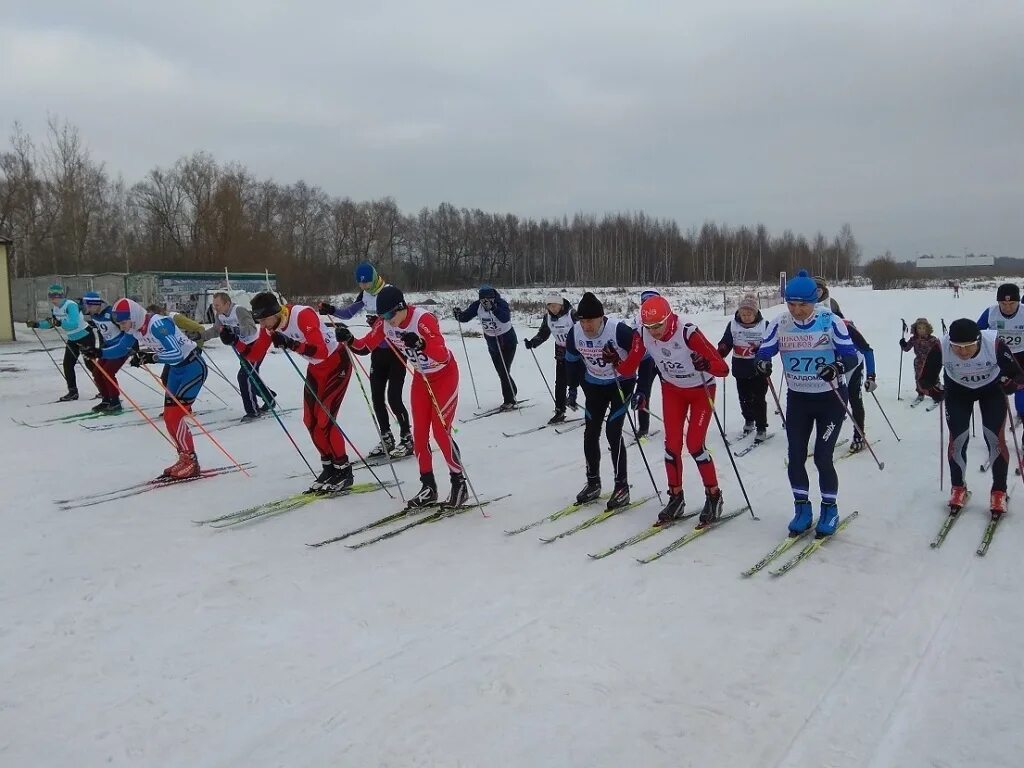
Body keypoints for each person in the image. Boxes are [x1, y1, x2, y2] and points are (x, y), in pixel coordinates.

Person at [755, 270, 860, 537]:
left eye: (803, 304)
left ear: (814, 301)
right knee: (796, 457)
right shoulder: (779, 323)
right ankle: (802, 508)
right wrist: (762, 362)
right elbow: (764, 351)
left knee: (823, 457)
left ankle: (829, 508)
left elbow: (851, 356)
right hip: (799, 398)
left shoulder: (830, 321)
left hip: (830, 399)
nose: (797, 310)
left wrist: (836, 367)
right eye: (791, 304)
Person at [349, 286, 467, 507]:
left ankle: (459, 483)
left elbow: (441, 355)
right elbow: (365, 346)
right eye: (382, 316)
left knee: (441, 433)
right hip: (422, 379)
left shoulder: (423, 320)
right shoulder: (385, 324)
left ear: (401, 307)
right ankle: (428, 487)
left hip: (444, 376)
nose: (387, 320)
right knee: (419, 435)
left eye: (390, 315)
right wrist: (348, 339)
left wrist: (421, 343)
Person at [618, 295, 730, 525]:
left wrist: (706, 364)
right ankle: (676, 497)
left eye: (658, 325)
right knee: (672, 446)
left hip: (701, 389)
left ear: (669, 317)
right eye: (649, 326)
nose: (654, 331)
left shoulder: (688, 332)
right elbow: (630, 366)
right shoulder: (642, 334)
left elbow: (723, 368)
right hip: (673, 390)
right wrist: (614, 361)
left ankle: (713, 495)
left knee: (695, 445)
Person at [919, 318, 1024, 516]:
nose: (963, 352)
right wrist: (933, 390)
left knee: (994, 439)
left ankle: (999, 491)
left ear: (978, 341)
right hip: (958, 392)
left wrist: (1011, 385)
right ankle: (958, 488)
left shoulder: (994, 343)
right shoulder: (941, 346)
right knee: (958, 439)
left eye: (968, 347)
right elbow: (924, 379)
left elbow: (1019, 376)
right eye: (957, 347)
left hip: (991, 391)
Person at [250, 291, 353, 493]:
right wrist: (233, 341)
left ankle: (344, 470)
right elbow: (255, 353)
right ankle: (329, 467)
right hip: (316, 370)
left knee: (325, 420)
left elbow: (321, 350)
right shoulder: (271, 326)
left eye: (264, 320)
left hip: (335, 365)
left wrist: (291, 343)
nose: (262, 325)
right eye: (259, 321)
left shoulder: (302, 315)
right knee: (310, 421)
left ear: (276, 312)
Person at [320, 262, 412, 456]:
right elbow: (349, 313)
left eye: (367, 282)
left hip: (396, 350)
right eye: (360, 283)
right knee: (377, 398)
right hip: (377, 348)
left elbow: (402, 314)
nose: (364, 286)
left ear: (375, 277)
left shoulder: (389, 292)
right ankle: (387, 438)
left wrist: (380, 321)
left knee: (394, 398)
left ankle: (407, 437)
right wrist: (332, 310)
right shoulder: (364, 295)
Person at [110, 298, 209, 479]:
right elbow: (120, 348)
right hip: (176, 371)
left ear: (133, 316)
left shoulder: (157, 324)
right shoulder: (135, 328)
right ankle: (185, 457)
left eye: (123, 323)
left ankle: (191, 462)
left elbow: (176, 353)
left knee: (174, 416)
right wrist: (97, 352)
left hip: (192, 368)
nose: (122, 327)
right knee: (170, 418)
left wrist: (150, 357)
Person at [564, 292, 645, 510]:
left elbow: (642, 354)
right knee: (590, 432)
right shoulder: (575, 333)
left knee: (613, 431)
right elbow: (570, 361)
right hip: (594, 385)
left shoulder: (618, 330)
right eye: (582, 320)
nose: (586, 325)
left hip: (621, 383)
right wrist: (572, 388)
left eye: (590, 320)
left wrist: (642, 387)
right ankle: (593, 483)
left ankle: (622, 487)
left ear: (601, 317)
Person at [203, 291, 275, 422]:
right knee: (251, 376)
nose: (215, 308)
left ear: (227, 303)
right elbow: (215, 330)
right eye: (214, 305)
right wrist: (200, 336)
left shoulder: (239, 311)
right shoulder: (220, 315)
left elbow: (251, 328)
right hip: (240, 347)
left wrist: (234, 331)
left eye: (218, 305)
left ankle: (252, 411)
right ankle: (269, 398)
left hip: (255, 346)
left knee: (244, 376)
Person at [26, 283, 100, 401]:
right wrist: (36, 324)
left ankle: (104, 389)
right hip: (72, 339)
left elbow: (73, 323)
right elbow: (52, 322)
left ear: (61, 296)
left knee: (90, 364)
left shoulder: (70, 305)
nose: (53, 299)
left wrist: (59, 323)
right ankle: (73, 392)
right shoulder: (56, 308)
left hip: (85, 336)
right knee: (67, 365)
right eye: (51, 297)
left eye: (56, 297)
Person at [455, 285, 518, 409]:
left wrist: (494, 308)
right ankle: (512, 392)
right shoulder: (477, 305)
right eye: (483, 299)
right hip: (492, 343)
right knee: (501, 371)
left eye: (488, 299)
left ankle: (509, 400)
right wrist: (458, 315)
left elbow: (505, 318)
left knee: (504, 370)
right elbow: (465, 317)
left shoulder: (501, 304)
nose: (485, 302)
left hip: (507, 342)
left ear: (493, 297)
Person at [719, 293, 770, 440]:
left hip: (758, 369)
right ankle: (749, 420)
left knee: (759, 398)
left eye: (749, 314)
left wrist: (764, 358)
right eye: (743, 314)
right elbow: (726, 341)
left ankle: (761, 427)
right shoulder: (733, 325)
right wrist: (722, 350)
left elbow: (770, 345)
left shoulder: (764, 325)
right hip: (740, 367)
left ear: (755, 313)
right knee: (744, 398)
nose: (746, 317)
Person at [523, 293, 577, 424]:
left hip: (577, 352)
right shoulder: (547, 317)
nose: (553, 309)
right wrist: (533, 342)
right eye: (550, 306)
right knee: (560, 382)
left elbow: (585, 328)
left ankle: (582, 403)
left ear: (561, 304)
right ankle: (559, 410)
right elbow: (543, 333)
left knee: (579, 380)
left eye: (555, 306)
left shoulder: (572, 314)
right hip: (560, 351)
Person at [977, 283, 1024, 423]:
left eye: (1012, 303)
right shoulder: (991, 312)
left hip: (1021, 355)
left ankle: (1022, 414)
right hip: (998, 356)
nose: (1008, 307)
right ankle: (996, 431)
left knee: (1021, 388)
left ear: (1018, 301)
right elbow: (976, 333)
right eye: (1003, 304)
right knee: (996, 390)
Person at [79, 291, 131, 413]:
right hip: (107, 348)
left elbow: (126, 329)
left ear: (97, 304)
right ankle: (106, 399)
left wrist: (130, 347)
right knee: (97, 373)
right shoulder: (94, 315)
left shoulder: (111, 313)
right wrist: (99, 348)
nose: (88, 309)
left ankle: (115, 401)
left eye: (90, 306)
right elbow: (102, 333)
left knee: (108, 372)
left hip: (120, 348)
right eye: (87, 306)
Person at [626, 289, 662, 440]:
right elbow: (633, 338)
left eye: (651, 301)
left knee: (672, 392)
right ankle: (643, 427)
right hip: (647, 359)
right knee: (643, 391)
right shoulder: (637, 319)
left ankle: (678, 424)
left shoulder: (665, 315)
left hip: (663, 359)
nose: (648, 304)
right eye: (645, 301)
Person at [843, 319, 877, 453]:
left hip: (854, 367)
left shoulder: (847, 327)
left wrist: (871, 377)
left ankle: (859, 435)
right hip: (836, 367)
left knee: (855, 400)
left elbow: (867, 350)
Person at [900, 318, 940, 404]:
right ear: (915, 329)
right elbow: (907, 348)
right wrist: (903, 344)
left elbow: (938, 349)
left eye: (923, 328)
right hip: (919, 362)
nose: (921, 330)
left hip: (931, 361)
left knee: (933, 377)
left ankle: (937, 393)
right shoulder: (914, 339)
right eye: (919, 328)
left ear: (927, 329)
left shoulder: (932, 339)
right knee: (919, 378)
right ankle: (921, 393)